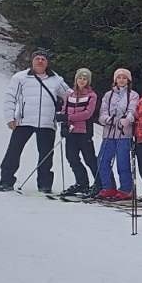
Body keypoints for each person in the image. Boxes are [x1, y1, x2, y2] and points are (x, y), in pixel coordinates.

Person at [0, 48, 68, 193]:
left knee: (46, 155)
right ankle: (6, 181)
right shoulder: (20, 77)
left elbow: (69, 96)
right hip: (24, 121)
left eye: (43, 59)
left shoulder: (56, 80)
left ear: (47, 63)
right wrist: (10, 117)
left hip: (47, 123)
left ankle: (44, 185)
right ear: (32, 61)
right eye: (37, 59)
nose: (40, 61)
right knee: (14, 151)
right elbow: (10, 97)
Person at [95, 68, 139, 199]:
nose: (121, 80)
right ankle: (108, 186)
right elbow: (102, 112)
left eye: (124, 78)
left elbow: (133, 110)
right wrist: (107, 119)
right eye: (119, 77)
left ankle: (126, 188)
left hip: (124, 133)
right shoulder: (108, 95)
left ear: (128, 80)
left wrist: (128, 119)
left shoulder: (133, 95)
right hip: (109, 132)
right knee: (103, 160)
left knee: (122, 161)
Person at [61, 68, 100, 196]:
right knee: (72, 157)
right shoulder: (69, 94)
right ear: (76, 79)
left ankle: (100, 184)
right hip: (71, 131)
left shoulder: (91, 95)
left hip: (84, 131)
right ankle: (82, 183)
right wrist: (64, 125)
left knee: (89, 158)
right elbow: (64, 110)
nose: (82, 81)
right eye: (80, 78)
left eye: (85, 79)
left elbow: (87, 114)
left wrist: (68, 117)